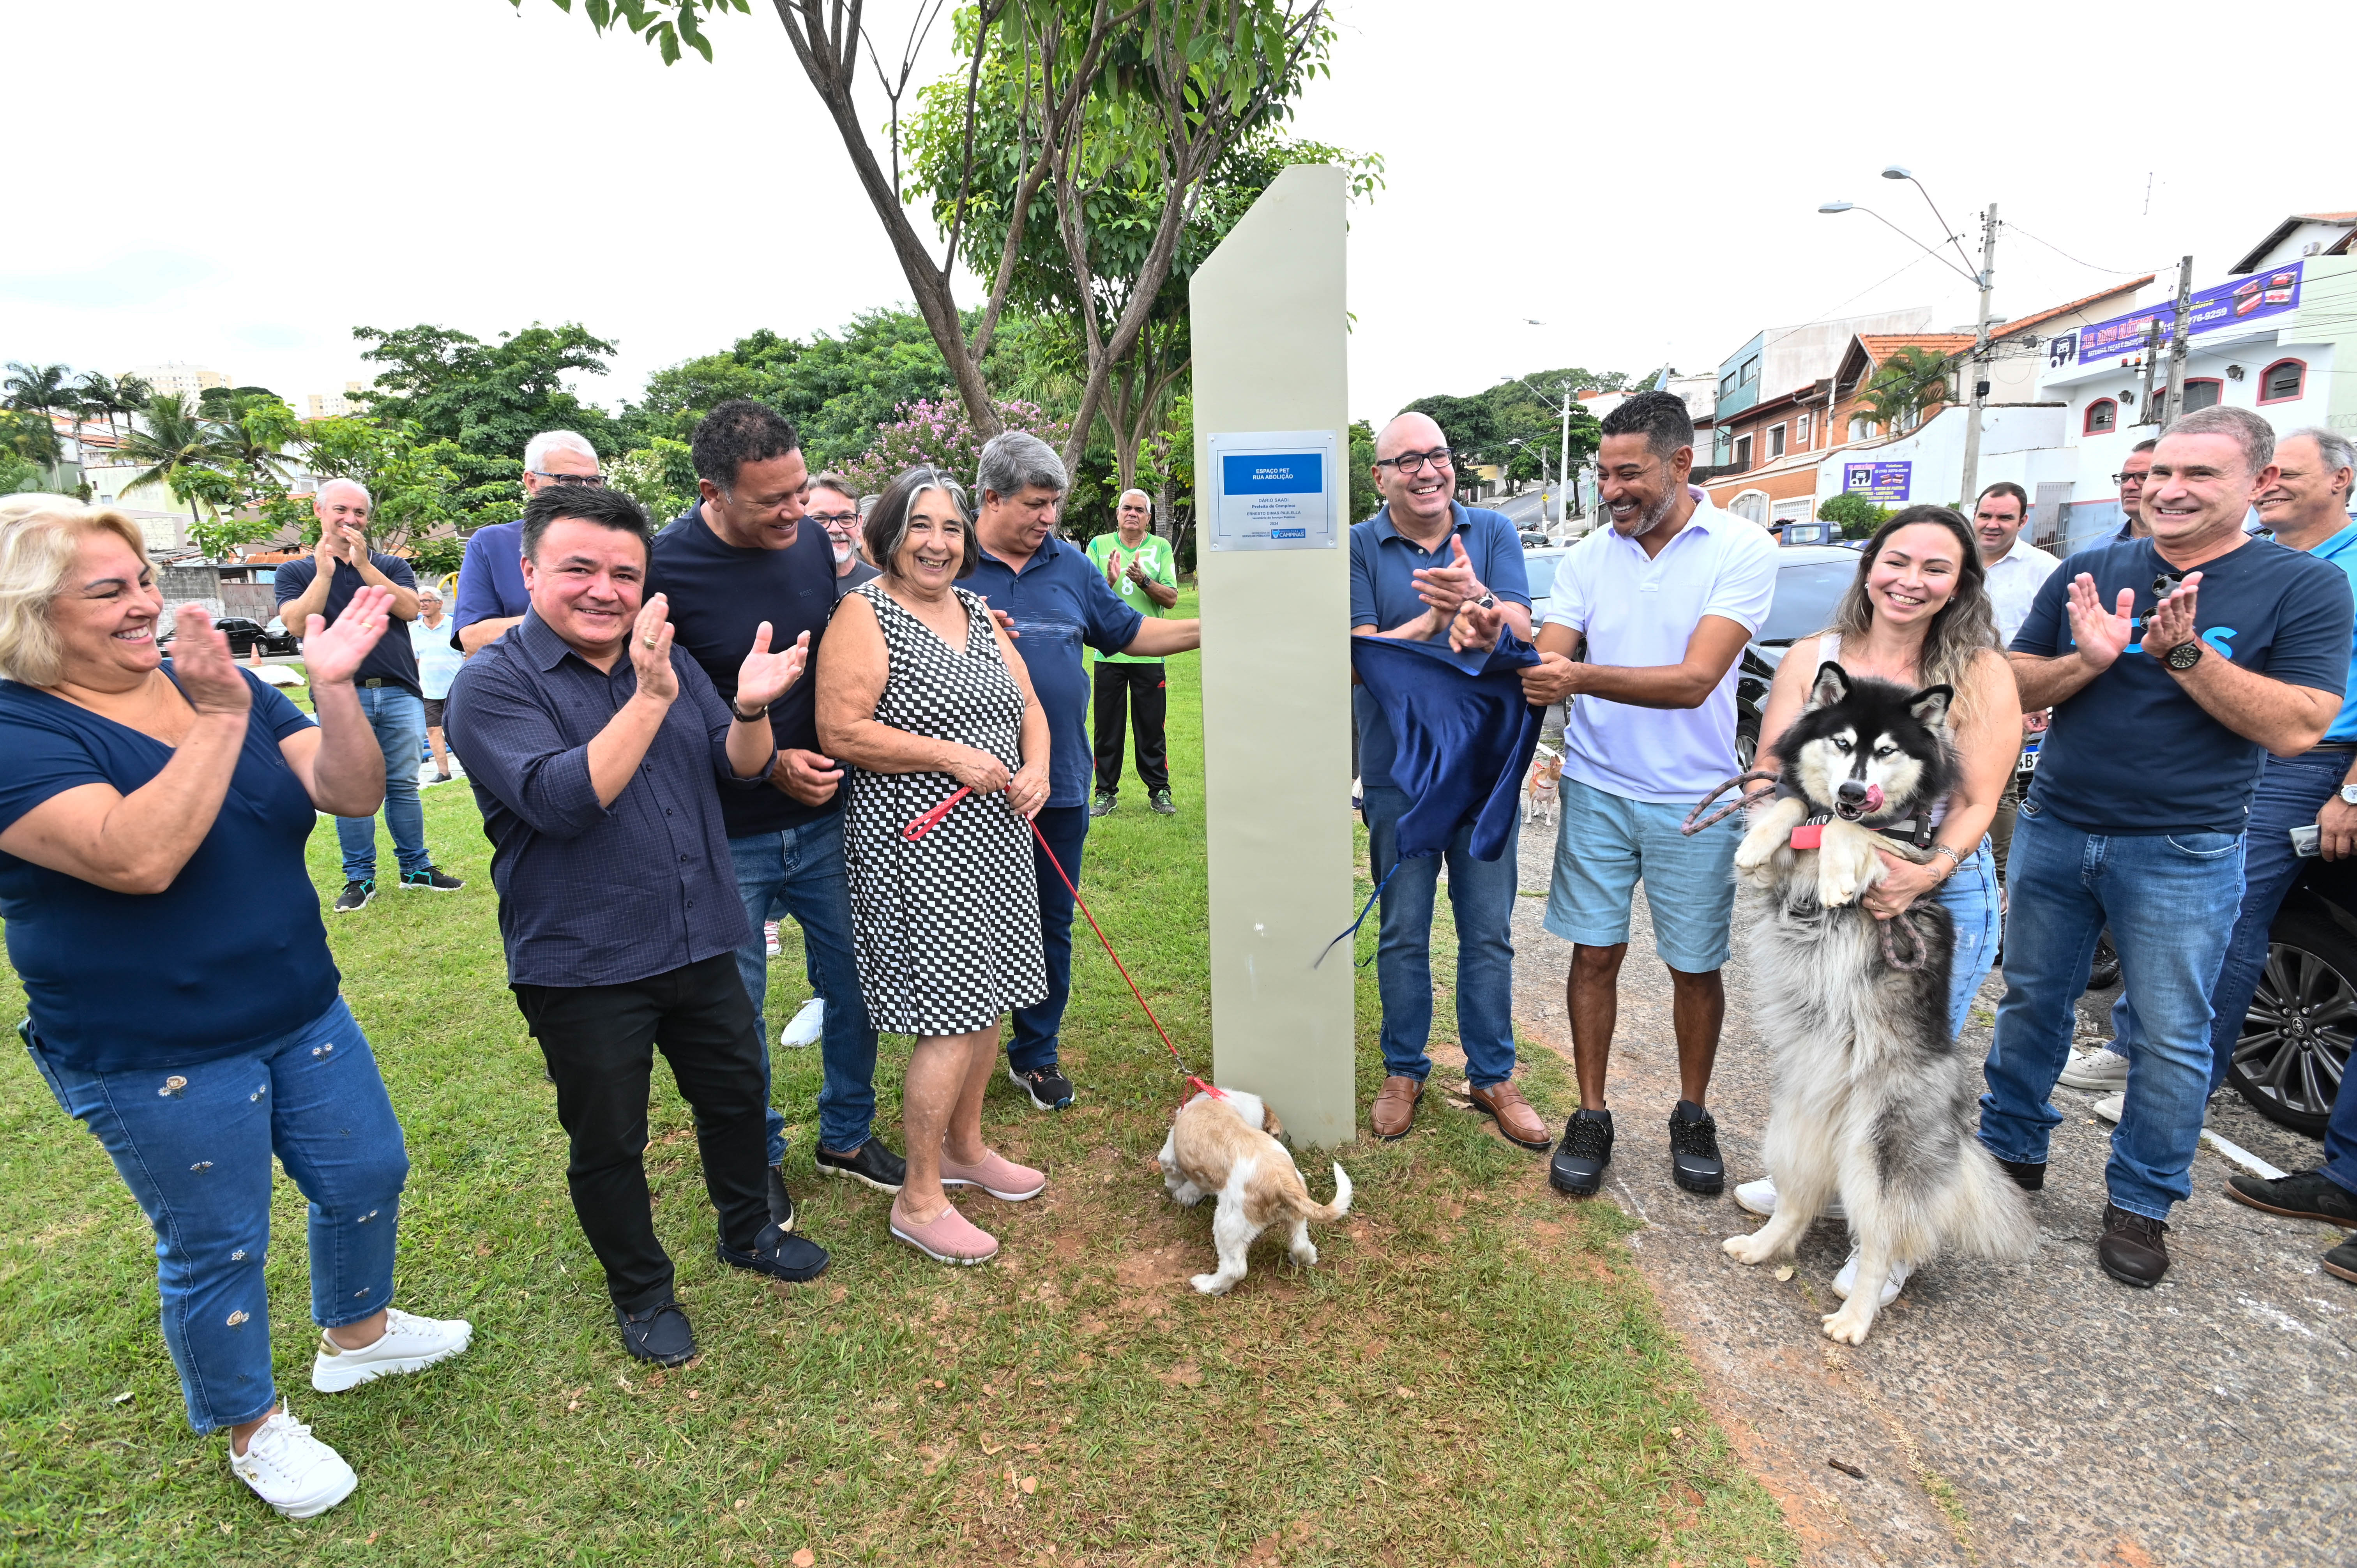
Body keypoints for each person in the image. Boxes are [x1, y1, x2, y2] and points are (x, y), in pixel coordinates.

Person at [0, 502, 470, 1518]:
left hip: (298, 1003)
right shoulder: (17, 730)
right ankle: (252, 1426)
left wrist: (334, 690)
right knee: (216, 1242)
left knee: (367, 1170)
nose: (146, 605)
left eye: (141, 581)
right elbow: (135, 853)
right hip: (151, 1048)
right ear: (32, 614)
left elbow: (347, 792)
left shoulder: (214, 683)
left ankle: (357, 1335)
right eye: (110, 591)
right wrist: (219, 721)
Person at [444, 484, 830, 1367]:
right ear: (530, 570)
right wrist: (652, 695)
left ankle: (749, 1230)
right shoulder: (491, 686)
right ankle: (643, 1290)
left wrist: (748, 708)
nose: (605, 589)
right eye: (580, 567)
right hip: (585, 960)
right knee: (609, 1136)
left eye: (626, 571)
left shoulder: (666, 659)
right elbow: (566, 798)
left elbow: (739, 769)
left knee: (734, 1096)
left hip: (699, 932)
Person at [1983, 406, 2353, 1289]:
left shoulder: (2301, 587)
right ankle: (2008, 1157)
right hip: (2059, 825)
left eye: (2200, 475)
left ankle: (2142, 1201)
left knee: (2174, 1035)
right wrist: (2086, 660)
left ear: (2257, 484)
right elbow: (2012, 677)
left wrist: (2186, 656)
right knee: (2032, 1001)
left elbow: (2303, 724)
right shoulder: (2093, 567)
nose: (2170, 489)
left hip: (2186, 847)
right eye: (2160, 473)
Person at [1733, 506, 2020, 1289]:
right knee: (1820, 1063)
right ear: (1870, 566)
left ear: (1962, 582)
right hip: (1815, 900)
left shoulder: (1982, 672)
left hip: (1922, 902)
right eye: (1898, 560)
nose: (1911, 580)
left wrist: (1926, 871)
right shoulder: (1813, 658)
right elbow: (1771, 765)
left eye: (1936, 567)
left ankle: (1887, 1243)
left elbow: (1978, 801)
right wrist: (1782, 822)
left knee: (1900, 1090)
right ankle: (1814, 1186)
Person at [647, 403, 905, 1217]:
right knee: (736, 1012)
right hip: (727, 831)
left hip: (829, 818)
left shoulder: (805, 551)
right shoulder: (664, 571)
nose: (797, 514)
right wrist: (763, 758)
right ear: (711, 493)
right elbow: (654, 704)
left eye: (802, 491)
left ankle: (849, 1131)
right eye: (774, 501)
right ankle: (755, 1155)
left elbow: (841, 644)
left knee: (855, 981)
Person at [1514, 392, 1776, 1190]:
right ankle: (1591, 1113)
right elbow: (1547, 653)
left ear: (1681, 463)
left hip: (1696, 800)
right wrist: (1510, 636)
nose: (1613, 489)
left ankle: (1692, 1111)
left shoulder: (1742, 548)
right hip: (1597, 785)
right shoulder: (1590, 555)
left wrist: (1577, 675)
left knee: (1695, 966)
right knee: (1594, 954)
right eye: (1604, 474)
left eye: (1629, 473)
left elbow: (1698, 680)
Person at [2061, 429, 2357, 1112]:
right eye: (2267, 472)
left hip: (2304, 759)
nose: (2272, 482)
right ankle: (2135, 1051)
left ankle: (2172, 1085)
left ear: (2342, 479)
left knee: (2227, 913)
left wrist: (2351, 787)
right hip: (2219, 747)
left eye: (2288, 472)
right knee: (2166, 912)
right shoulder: (2261, 558)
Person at [817, 466, 1054, 1264]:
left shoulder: (979, 610)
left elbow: (1026, 705)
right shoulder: (863, 611)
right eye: (922, 525)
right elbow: (842, 729)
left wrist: (1039, 768)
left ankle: (964, 1148)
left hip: (994, 834)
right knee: (950, 1016)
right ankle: (918, 1199)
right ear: (889, 533)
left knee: (987, 1001)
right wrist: (951, 754)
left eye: (952, 528)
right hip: (918, 845)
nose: (938, 542)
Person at [965, 431, 1201, 1112]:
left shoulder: (1069, 563)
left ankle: (1035, 1055)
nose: (1048, 518)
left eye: (1054, 505)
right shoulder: (944, 560)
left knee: (1049, 921)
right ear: (990, 497)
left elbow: (1130, 633)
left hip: (1060, 780)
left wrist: (1211, 625)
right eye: (1035, 504)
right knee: (972, 924)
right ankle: (963, 1054)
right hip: (964, 786)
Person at [1348, 411, 1542, 1147]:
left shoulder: (1491, 530)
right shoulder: (1362, 546)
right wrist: (1434, 624)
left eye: (1437, 456)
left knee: (1487, 927)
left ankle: (1491, 1072)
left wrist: (1480, 608)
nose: (1426, 471)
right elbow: (1361, 652)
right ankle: (1404, 1068)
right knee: (1402, 926)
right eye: (1407, 460)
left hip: (1485, 771)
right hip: (1398, 770)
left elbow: (1521, 625)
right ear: (1380, 475)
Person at [274, 480, 463, 911]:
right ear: (320, 512)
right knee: (351, 790)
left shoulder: (390, 564)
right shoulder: (296, 572)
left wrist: (363, 567)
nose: (351, 520)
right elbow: (298, 624)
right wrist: (325, 573)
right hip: (343, 696)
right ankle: (359, 877)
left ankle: (416, 867)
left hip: (398, 690)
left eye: (360, 513)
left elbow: (410, 608)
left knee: (402, 786)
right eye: (341, 510)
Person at [1971, 481, 2058, 885]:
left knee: (1997, 790)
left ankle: (1999, 881)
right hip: (1948, 688)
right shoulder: (1957, 560)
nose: (1993, 525)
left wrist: (2033, 697)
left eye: (2005, 517)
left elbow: (2058, 638)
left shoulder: (2044, 570)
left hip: (2007, 695)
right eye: (1986, 515)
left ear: (2023, 521)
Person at [450, 430, 605, 655]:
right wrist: (573, 621)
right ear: (532, 482)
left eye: (593, 481)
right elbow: (472, 638)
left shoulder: (621, 542)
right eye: (568, 480)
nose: (583, 492)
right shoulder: (492, 543)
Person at [1084, 489, 1181, 818]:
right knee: (1107, 729)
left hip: (1150, 653)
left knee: (1151, 729)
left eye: (1140, 510)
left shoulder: (1160, 548)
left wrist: (1144, 581)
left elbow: (1170, 598)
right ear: (1118, 513)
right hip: (1109, 654)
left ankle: (1160, 791)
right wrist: (1108, 582)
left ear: (1149, 518)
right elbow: (1085, 597)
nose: (1133, 514)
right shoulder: (1099, 545)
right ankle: (1105, 793)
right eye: (1127, 508)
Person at [410, 586, 463, 783]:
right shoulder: (414, 630)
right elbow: (414, 662)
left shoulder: (454, 625)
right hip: (429, 691)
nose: (422, 605)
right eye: (420, 601)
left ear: (440, 604)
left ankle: (470, 766)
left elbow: (466, 656)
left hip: (455, 689)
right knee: (433, 730)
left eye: (427, 601)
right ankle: (444, 772)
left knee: (460, 730)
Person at [808, 470, 881, 596]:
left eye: (846, 518)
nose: (836, 529)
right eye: (821, 519)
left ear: (859, 524)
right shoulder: (784, 585)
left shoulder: (883, 586)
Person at [2114, 438, 2157, 540]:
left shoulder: (2192, 551)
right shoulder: (2100, 547)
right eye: (2124, 478)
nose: (2128, 486)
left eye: (2144, 477)